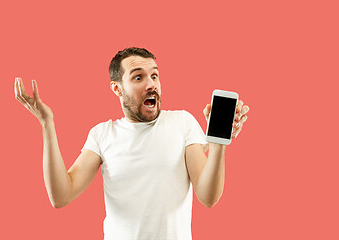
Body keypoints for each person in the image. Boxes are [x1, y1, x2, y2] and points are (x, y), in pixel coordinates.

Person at [14, 47, 249, 240]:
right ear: (117, 88)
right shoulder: (102, 134)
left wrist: (218, 146)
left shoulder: (183, 123)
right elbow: (61, 195)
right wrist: (47, 124)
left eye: (154, 75)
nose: (151, 84)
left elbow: (208, 197)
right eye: (138, 77)